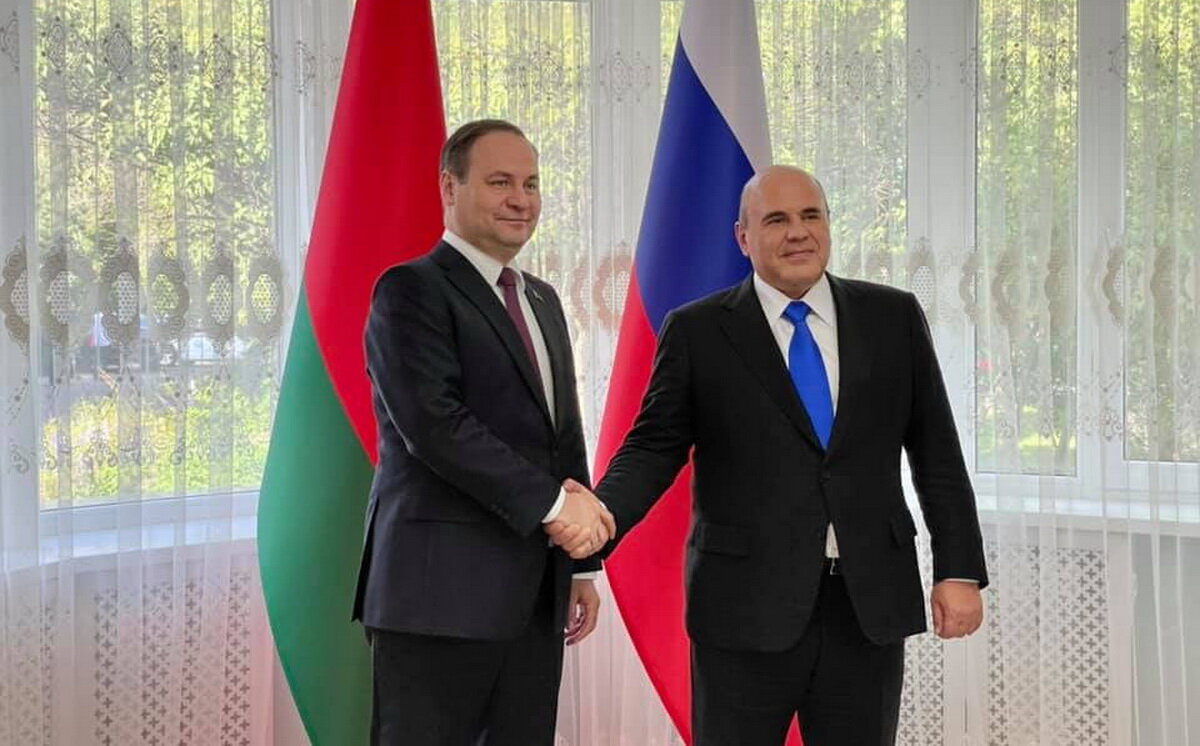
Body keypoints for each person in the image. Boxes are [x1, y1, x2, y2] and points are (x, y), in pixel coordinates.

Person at [561, 165, 988, 745]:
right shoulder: (698, 331)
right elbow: (653, 447)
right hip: (743, 605)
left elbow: (937, 450)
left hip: (866, 604)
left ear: (829, 225)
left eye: (811, 216)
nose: (798, 232)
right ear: (743, 237)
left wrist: (958, 568)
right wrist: (598, 519)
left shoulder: (893, 317)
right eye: (777, 220)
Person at [352, 118, 614, 746]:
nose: (520, 199)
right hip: (437, 599)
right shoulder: (410, 290)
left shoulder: (543, 299)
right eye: (500, 182)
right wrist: (558, 509)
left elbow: (562, 436)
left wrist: (582, 564)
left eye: (531, 184)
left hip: (534, 597)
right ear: (450, 187)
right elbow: (435, 427)